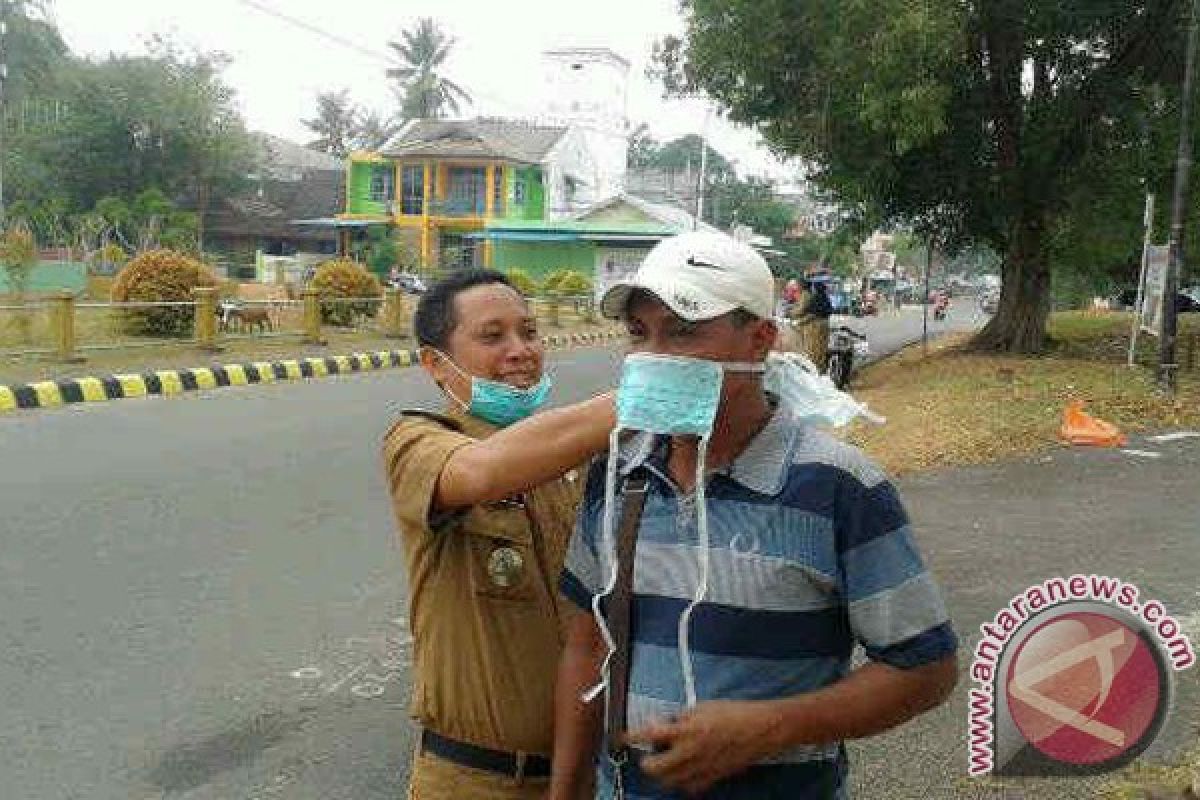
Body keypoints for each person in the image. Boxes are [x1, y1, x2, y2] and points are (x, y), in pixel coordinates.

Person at [549, 232, 958, 799]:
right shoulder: (619, 473)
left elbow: (926, 667)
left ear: (760, 340)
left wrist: (770, 729)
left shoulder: (840, 487)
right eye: (639, 334)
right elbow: (588, 646)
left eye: (684, 332)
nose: (652, 358)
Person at [381, 269, 614, 799]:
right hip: (475, 781)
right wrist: (642, 396)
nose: (520, 351)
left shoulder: (573, 455)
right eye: (492, 337)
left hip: (585, 775)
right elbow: (482, 472)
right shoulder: (417, 442)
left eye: (529, 333)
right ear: (434, 364)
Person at [788, 279, 834, 370]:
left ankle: (813, 370)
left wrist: (795, 318)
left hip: (815, 326)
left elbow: (811, 314)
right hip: (825, 325)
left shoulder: (810, 297)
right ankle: (820, 369)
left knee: (813, 350)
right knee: (821, 350)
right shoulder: (824, 298)